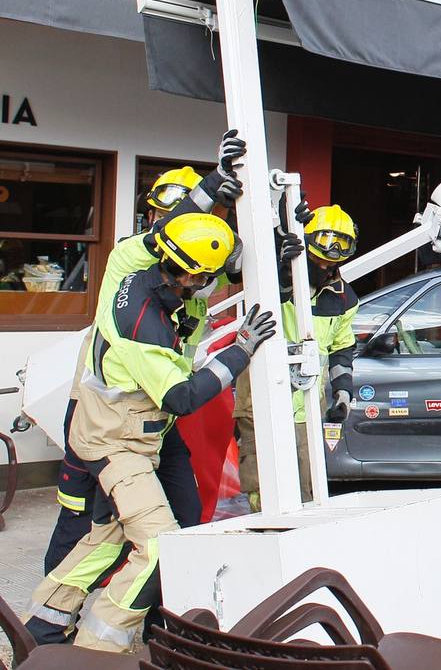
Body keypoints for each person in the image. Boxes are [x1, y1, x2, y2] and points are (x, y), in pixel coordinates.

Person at [25, 214, 276, 652]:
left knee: (106, 537)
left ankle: (44, 626)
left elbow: (179, 237)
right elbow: (181, 396)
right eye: (214, 277)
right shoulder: (147, 326)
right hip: (117, 447)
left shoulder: (130, 272)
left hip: (111, 436)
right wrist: (240, 352)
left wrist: (221, 190)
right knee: (160, 545)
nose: (218, 284)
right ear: (193, 275)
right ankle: (96, 650)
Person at [42, 135, 245, 576]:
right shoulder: (129, 260)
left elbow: (228, 264)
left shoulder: (189, 280)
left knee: (179, 521)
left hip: (158, 422)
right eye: (170, 215)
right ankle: (53, 629)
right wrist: (213, 183)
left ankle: (160, 623)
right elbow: (164, 237)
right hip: (100, 416)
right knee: (80, 521)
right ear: (154, 215)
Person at [235, 201, 359, 509]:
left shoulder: (344, 297)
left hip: (307, 406)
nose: (324, 268)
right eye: (317, 260)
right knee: (263, 485)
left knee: (308, 489)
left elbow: (342, 348)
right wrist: (285, 269)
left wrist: (342, 394)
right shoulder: (280, 281)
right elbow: (265, 299)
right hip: (261, 400)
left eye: (330, 264)